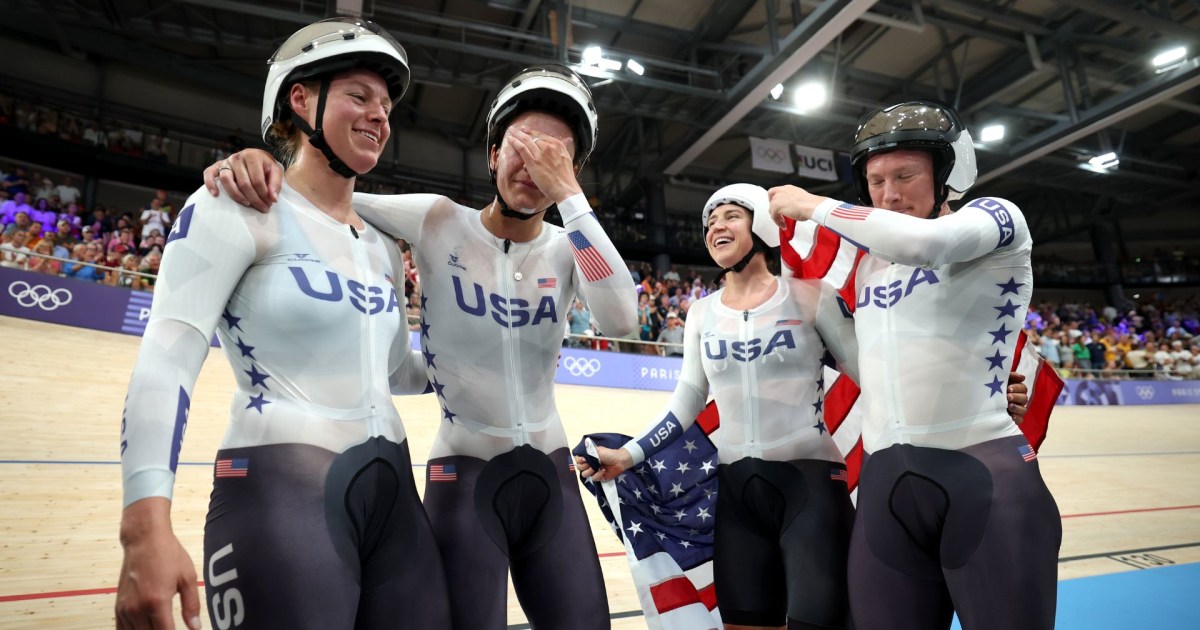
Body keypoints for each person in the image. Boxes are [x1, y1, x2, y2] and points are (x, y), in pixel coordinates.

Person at [205, 63, 637, 629]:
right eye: (521, 145)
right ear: (491, 154)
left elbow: (623, 317)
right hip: (464, 475)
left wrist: (572, 196)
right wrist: (259, 163)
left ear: (570, 169)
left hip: (551, 473)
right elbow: (325, 196)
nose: (533, 162)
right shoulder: (438, 220)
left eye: (553, 154)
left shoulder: (567, 247)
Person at [115, 17, 451, 630]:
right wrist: (144, 526)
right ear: (300, 98)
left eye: (385, 103)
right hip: (281, 490)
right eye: (359, 95)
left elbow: (397, 371)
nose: (380, 114)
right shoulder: (236, 203)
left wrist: (488, 353)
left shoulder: (379, 246)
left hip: (395, 496)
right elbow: (167, 355)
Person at [768, 101, 1060, 629]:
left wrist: (812, 204)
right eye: (876, 181)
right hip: (887, 488)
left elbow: (928, 245)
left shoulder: (996, 218)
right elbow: (870, 371)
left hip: (983, 477)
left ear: (947, 175)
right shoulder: (873, 268)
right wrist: (817, 308)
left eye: (905, 175)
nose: (889, 194)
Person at [580, 183, 862, 629]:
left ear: (762, 226)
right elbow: (687, 400)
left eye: (730, 216)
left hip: (809, 490)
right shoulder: (702, 313)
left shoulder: (812, 297)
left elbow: (874, 377)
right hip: (737, 494)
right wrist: (629, 454)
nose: (716, 227)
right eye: (710, 222)